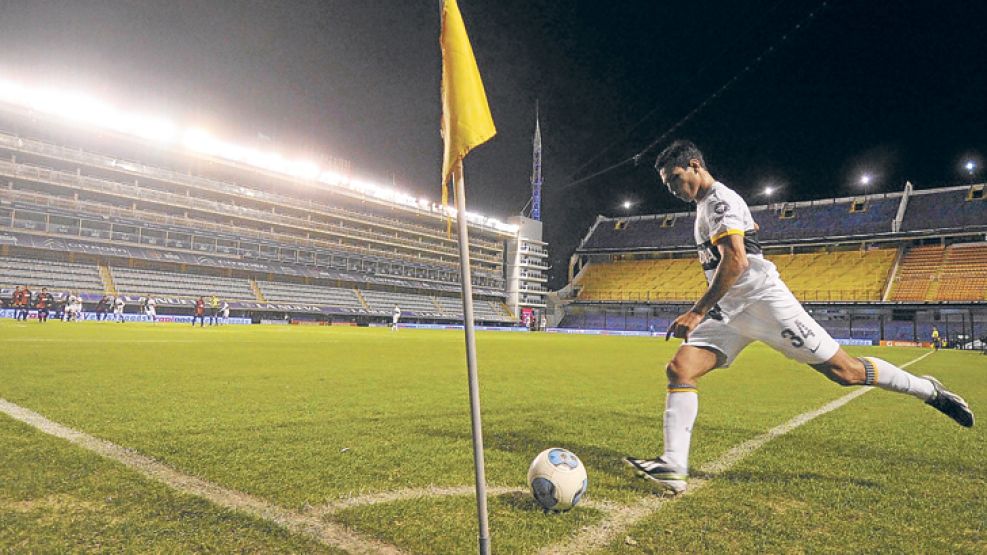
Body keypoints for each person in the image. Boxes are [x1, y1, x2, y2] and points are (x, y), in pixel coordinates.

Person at [623, 141, 975, 495]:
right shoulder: (707, 206)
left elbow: (737, 261)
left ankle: (929, 390)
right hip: (730, 311)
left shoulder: (719, 200)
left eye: (675, 179)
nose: (671, 188)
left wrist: (697, 311)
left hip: (765, 304)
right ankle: (673, 465)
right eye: (666, 183)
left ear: (695, 166)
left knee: (846, 373)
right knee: (680, 369)